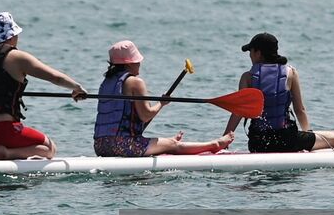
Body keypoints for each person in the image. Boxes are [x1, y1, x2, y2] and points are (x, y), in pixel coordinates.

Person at [222, 33, 334, 166]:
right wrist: (307, 137)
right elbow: (300, 110)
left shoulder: (247, 77)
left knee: (329, 139)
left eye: (250, 51)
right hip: (288, 141)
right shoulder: (290, 73)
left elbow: (238, 112)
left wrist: (223, 141)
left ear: (258, 53)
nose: (250, 55)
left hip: (259, 144)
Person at [0, 12, 86, 160]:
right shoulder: (18, 58)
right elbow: (55, 77)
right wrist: (76, 87)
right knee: (49, 149)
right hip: (1, 132)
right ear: (11, 36)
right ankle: (5, 153)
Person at [93, 41, 234, 157]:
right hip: (124, 146)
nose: (139, 63)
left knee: (167, 142)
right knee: (174, 146)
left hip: (100, 146)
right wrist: (161, 104)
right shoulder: (135, 82)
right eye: (137, 60)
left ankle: (165, 143)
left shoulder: (106, 83)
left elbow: (130, 120)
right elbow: (145, 115)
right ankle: (215, 144)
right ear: (129, 63)